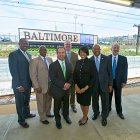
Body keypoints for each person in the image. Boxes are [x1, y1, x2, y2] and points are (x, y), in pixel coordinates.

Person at [8, 38, 36, 128]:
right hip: (19, 85)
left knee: (26, 101)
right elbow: (13, 72)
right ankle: (21, 120)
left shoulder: (29, 55)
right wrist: (18, 85)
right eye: (24, 43)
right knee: (19, 103)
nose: (26, 45)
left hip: (28, 84)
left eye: (27, 43)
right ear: (19, 44)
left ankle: (27, 114)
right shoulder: (13, 54)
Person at [49, 46, 73, 129]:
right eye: (59, 53)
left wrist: (69, 84)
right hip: (57, 90)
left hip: (67, 90)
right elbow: (53, 78)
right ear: (57, 54)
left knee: (66, 105)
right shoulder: (52, 65)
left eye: (63, 52)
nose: (61, 54)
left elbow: (71, 75)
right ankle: (58, 121)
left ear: (65, 53)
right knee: (57, 107)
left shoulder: (68, 63)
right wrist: (63, 85)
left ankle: (66, 117)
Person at [29, 46, 54, 125]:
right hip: (40, 86)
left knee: (49, 100)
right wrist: (36, 86)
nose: (44, 51)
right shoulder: (34, 61)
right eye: (42, 49)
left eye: (45, 50)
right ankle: (42, 118)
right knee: (41, 102)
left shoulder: (50, 59)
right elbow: (32, 75)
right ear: (39, 51)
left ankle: (48, 113)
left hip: (50, 85)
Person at [90, 44, 113, 126]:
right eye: (94, 49)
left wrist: (110, 84)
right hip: (94, 86)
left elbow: (110, 73)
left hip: (105, 85)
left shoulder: (107, 59)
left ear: (100, 49)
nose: (96, 50)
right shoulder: (90, 60)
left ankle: (104, 117)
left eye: (98, 49)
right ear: (92, 50)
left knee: (105, 102)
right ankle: (96, 113)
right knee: (94, 101)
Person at [74, 46, 96, 125]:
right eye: (81, 52)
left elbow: (93, 77)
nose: (82, 54)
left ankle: (85, 117)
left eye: (84, 52)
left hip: (87, 88)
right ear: (79, 53)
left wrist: (85, 88)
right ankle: (84, 115)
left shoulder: (91, 63)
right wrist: (76, 86)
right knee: (80, 102)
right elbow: (75, 75)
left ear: (87, 53)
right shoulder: (78, 62)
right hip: (78, 88)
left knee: (85, 103)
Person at [109, 43, 128, 119]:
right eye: (114, 47)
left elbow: (125, 71)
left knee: (118, 97)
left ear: (119, 49)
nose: (116, 49)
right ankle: (108, 109)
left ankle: (119, 112)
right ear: (111, 49)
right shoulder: (107, 58)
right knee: (108, 97)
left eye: (117, 48)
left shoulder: (123, 58)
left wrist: (124, 81)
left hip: (119, 82)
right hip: (109, 82)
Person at [64, 40, 78, 113]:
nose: (68, 46)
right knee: (65, 92)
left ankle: (72, 104)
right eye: (66, 44)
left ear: (71, 46)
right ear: (64, 46)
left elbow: (77, 66)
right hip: (65, 77)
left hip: (73, 77)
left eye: (69, 44)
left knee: (72, 92)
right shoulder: (62, 54)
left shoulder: (75, 55)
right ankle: (63, 106)